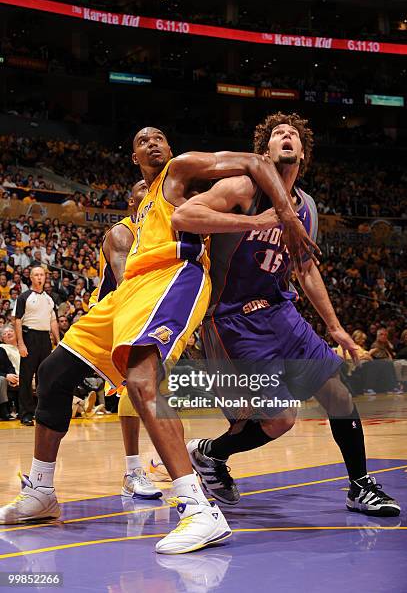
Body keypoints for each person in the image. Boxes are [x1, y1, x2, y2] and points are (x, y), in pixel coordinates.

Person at [0, 126, 315, 554]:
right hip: (130, 290)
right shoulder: (140, 209)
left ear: (169, 148)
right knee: (54, 371)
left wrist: (279, 216)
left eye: (159, 138)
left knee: (142, 378)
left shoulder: (180, 169)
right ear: (132, 157)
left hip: (175, 275)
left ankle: (198, 509)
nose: (152, 142)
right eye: (142, 140)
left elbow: (257, 162)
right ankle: (41, 491)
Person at [171, 112, 400, 517]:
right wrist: (251, 220)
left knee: (339, 394)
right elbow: (183, 216)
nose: (286, 137)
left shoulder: (307, 207)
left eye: (293, 134)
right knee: (280, 418)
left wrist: (336, 327)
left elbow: (306, 267)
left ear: (304, 154)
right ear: (265, 151)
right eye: (278, 134)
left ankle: (360, 485)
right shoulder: (242, 187)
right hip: (232, 319)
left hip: (282, 313)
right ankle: (209, 453)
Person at [89, 179, 161, 499]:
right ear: (133, 205)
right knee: (133, 386)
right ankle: (133, 470)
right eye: (143, 194)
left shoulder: (159, 234)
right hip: (113, 315)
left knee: (158, 390)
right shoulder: (122, 233)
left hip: (147, 315)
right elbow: (124, 286)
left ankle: (164, 458)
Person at [12, 267, 60, 425]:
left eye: (42, 275)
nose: (40, 278)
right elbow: (17, 320)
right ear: (31, 278)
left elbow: (53, 320)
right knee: (26, 377)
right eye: (36, 275)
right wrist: (20, 343)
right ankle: (26, 413)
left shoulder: (49, 298)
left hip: (45, 338)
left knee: (44, 376)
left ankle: (41, 412)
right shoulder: (24, 297)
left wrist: (57, 341)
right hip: (29, 337)